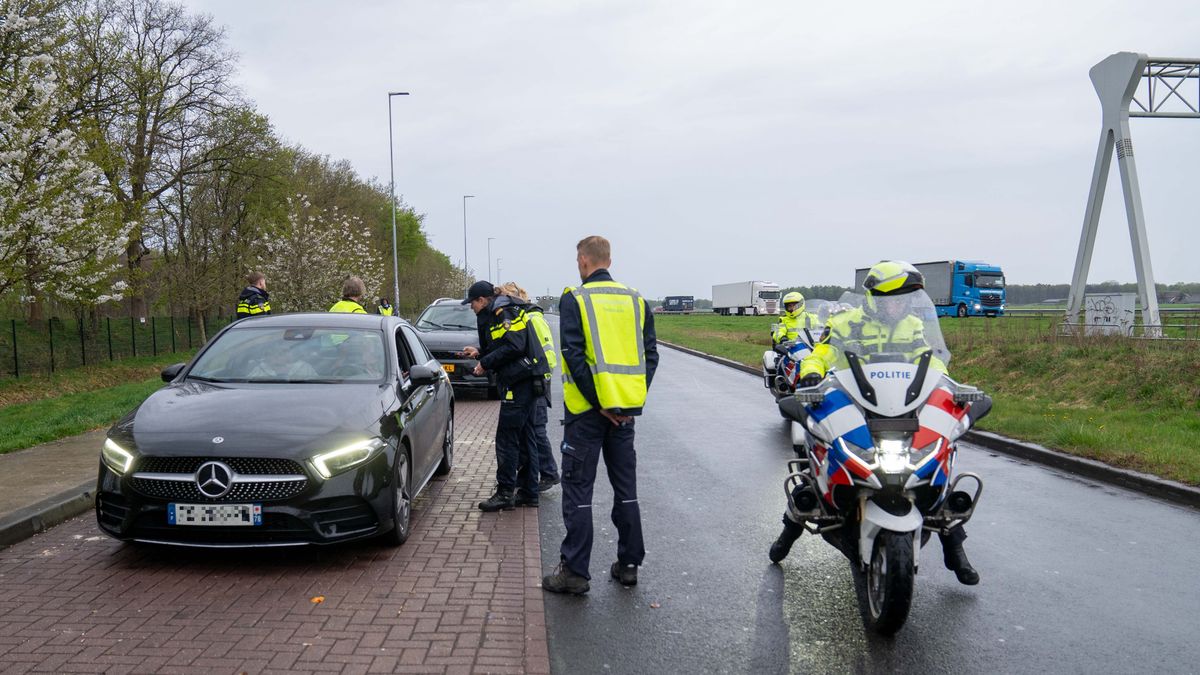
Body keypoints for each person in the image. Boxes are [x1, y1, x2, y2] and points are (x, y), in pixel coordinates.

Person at [769, 260, 978, 585]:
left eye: (903, 299)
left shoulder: (912, 325)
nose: (898, 306)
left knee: (933, 459)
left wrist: (945, 382)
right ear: (874, 298)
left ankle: (955, 548)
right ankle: (792, 524)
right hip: (854, 400)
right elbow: (822, 352)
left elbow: (929, 357)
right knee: (818, 454)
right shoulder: (846, 322)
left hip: (898, 402)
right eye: (891, 299)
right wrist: (811, 372)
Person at [542, 235, 659, 595]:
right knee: (626, 490)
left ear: (583, 260)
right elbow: (650, 356)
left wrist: (600, 403)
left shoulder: (575, 299)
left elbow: (574, 356)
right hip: (624, 416)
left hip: (586, 414)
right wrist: (626, 402)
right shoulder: (637, 300)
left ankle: (575, 572)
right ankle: (629, 565)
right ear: (609, 259)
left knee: (578, 491)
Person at [459, 280, 543, 511]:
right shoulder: (501, 310)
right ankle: (529, 492)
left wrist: (485, 363)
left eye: (472, 303)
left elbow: (515, 345)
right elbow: (503, 344)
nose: (471, 308)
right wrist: (480, 353)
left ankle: (505, 493)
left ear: (482, 300)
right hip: (526, 379)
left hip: (520, 382)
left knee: (507, 439)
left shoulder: (502, 312)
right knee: (525, 437)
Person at [498, 281, 561, 493]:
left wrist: (538, 378)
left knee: (536, 430)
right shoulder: (523, 318)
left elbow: (547, 354)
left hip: (537, 382)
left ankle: (549, 473)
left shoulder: (533, 319)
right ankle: (527, 475)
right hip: (532, 380)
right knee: (529, 431)